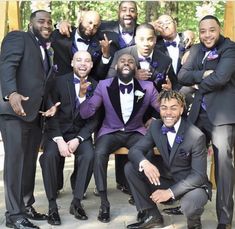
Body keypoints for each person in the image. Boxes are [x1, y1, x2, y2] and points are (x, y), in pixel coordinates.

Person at [79, 53, 159, 223]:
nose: (126, 63)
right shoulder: (103, 85)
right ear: (116, 67)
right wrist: (82, 97)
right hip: (110, 131)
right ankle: (104, 202)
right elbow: (87, 112)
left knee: (147, 154)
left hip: (136, 131)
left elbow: (163, 108)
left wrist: (157, 116)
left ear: (135, 68)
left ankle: (144, 205)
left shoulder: (148, 87)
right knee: (98, 154)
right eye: (122, 61)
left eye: (131, 62)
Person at [0, 10, 58, 229]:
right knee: (15, 163)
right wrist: (10, 93)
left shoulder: (46, 50)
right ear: (30, 23)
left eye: (49, 22)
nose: (46, 25)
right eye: (41, 21)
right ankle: (13, 215)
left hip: (35, 115)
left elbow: (42, 83)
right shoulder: (19, 37)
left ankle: (25, 206)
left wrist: (49, 104)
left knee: (28, 163)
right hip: (14, 112)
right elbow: (7, 65)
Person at [178, 15, 235, 229]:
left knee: (223, 169)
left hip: (222, 116)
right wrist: (203, 73)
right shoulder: (196, 50)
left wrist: (198, 84)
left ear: (219, 30)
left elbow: (221, 77)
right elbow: (182, 75)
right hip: (197, 115)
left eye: (212, 30)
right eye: (203, 31)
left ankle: (224, 220)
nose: (207, 35)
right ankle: (191, 208)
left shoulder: (230, 49)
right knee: (185, 158)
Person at [125, 90, 212, 229]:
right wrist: (145, 163)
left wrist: (169, 193)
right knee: (131, 168)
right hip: (168, 178)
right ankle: (153, 215)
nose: (168, 113)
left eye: (173, 108)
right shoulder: (156, 126)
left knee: (192, 203)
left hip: (192, 186)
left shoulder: (196, 135)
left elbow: (198, 176)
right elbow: (135, 150)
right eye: (164, 108)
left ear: (181, 109)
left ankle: (194, 223)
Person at [51, 10, 113, 192]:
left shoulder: (99, 41)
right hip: (61, 89)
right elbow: (42, 30)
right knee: (56, 145)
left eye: (95, 25)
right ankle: (56, 184)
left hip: (88, 90)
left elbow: (100, 73)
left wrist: (105, 55)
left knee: (87, 148)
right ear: (79, 20)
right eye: (88, 23)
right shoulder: (61, 34)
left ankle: (78, 185)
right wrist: (58, 23)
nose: (91, 27)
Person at [39, 50, 98, 225]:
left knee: (89, 155)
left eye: (87, 61)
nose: (82, 64)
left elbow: (94, 120)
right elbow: (51, 115)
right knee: (48, 157)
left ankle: (77, 202)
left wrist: (78, 139)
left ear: (92, 65)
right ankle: (52, 206)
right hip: (56, 132)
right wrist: (59, 140)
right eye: (78, 60)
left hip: (79, 133)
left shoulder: (96, 86)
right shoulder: (57, 82)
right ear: (72, 62)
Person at [107, 23, 176, 92]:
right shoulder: (120, 55)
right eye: (141, 39)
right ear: (135, 40)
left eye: (150, 39)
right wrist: (131, 77)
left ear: (155, 40)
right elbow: (109, 82)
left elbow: (175, 85)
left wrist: (170, 90)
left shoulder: (166, 60)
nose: (146, 44)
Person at [153, 14, 196, 113]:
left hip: (189, 98)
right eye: (161, 24)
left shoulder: (188, 41)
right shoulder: (154, 45)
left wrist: (191, 50)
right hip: (164, 101)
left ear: (175, 24)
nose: (165, 26)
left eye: (168, 22)